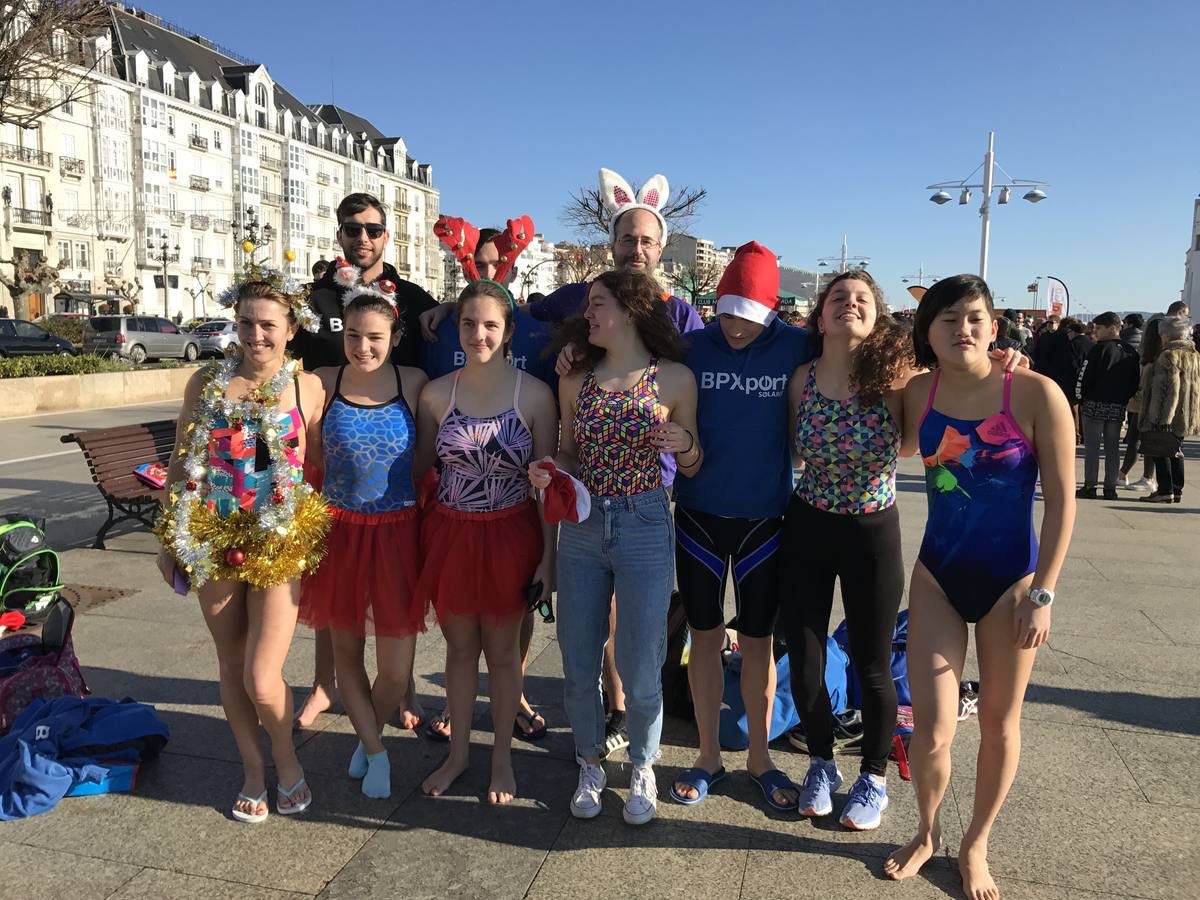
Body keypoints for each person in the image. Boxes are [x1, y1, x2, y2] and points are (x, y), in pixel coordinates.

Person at [885, 274, 1076, 900]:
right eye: (947, 320)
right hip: (938, 576)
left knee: (998, 723)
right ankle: (928, 831)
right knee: (934, 728)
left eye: (974, 318)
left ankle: (976, 844)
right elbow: (895, 441)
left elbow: (1063, 505)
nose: (962, 329)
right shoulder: (919, 392)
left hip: (1011, 585)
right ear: (928, 333)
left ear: (995, 327)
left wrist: (1043, 592)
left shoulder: (1036, 394)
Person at [154, 267, 329, 823]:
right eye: (247, 323)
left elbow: (318, 465)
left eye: (268, 325)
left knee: (261, 674)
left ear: (291, 328)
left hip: (278, 540)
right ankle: (253, 770)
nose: (257, 336)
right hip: (211, 532)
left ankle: (285, 757)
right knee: (231, 666)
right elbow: (183, 459)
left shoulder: (309, 387)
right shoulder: (205, 382)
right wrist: (168, 537)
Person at [529, 270, 701, 826]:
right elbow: (571, 455)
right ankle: (590, 759)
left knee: (640, 659)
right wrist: (552, 471)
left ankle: (644, 763)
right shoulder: (575, 378)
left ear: (630, 310)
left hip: (646, 522)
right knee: (579, 657)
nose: (588, 315)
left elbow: (694, 463)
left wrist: (686, 445)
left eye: (598, 304)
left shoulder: (674, 379)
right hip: (582, 523)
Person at [667, 243, 813, 811]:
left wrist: (1005, 359)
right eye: (726, 313)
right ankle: (708, 755)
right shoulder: (690, 344)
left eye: (748, 318)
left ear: (771, 314)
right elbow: (615, 341)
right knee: (702, 638)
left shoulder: (798, 345)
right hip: (698, 516)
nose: (734, 328)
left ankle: (759, 760)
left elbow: (874, 351)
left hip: (765, 521)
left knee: (758, 644)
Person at [290, 192, 436, 731]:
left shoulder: (414, 299)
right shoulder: (314, 297)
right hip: (334, 444)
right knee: (334, 604)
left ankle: (405, 692)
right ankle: (323, 687)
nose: (363, 237)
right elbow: (279, 346)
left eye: (372, 228)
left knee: (399, 609)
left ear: (385, 234)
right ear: (340, 233)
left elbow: (460, 325)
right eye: (352, 228)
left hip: (393, 460)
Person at [780, 270, 915, 830]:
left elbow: (948, 405)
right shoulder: (801, 378)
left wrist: (1010, 365)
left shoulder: (898, 382)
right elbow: (791, 449)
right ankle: (820, 763)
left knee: (872, 663)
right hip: (808, 525)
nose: (850, 305)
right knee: (806, 661)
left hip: (872, 533)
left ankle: (874, 779)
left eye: (862, 299)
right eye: (839, 297)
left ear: (876, 316)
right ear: (820, 315)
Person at [415, 280, 558, 803]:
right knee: (457, 652)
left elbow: (548, 489)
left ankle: (501, 756)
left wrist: (550, 554)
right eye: (470, 323)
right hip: (451, 536)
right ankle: (458, 756)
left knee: (502, 656)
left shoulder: (535, 395)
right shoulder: (436, 394)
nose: (479, 333)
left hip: (511, 536)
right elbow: (422, 469)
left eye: (491, 324)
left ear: (510, 331)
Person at [298, 281, 427, 799]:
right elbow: (301, 451)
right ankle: (375, 750)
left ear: (395, 336)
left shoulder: (414, 382)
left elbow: (427, 458)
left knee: (395, 671)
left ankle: (367, 730)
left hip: (399, 535)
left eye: (374, 337)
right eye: (353, 335)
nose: (362, 347)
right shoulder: (321, 382)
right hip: (340, 534)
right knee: (345, 653)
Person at [1075, 311, 1140, 500]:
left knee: (1093, 448)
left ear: (1112, 328)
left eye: (1099, 328)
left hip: (1094, 403)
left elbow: (1084, 376)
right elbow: (1134, 381)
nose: (1096, 332)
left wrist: (1082, 397)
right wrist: (1124, 398)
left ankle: (1090, 485)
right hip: (1117, 405)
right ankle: (1110, 487)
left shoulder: (1098, 349)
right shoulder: (1130, 352)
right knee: (1112, 448)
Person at [1138, 315, 1200, 504]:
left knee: (1160, 450)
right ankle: (1176, 489)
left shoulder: (1168, 355)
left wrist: (1157, 417)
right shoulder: (1193, 355)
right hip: (1185, 412)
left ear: (1166, 335)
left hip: (1167, 414)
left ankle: (1165, 489)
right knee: (1176, 450)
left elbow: (1165, 390)